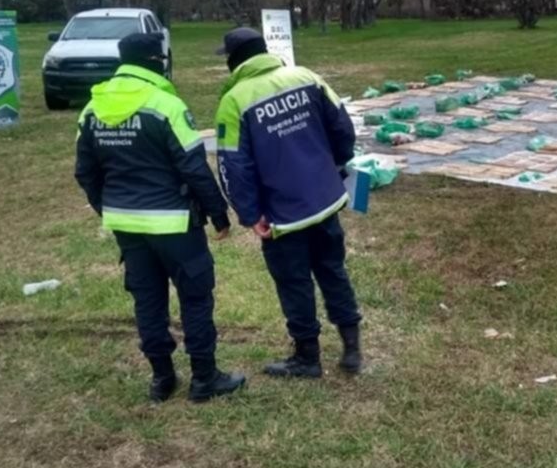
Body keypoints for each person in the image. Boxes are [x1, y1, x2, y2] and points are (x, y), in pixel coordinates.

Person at [75, 32, 246, 403]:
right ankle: (204, 378)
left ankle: (162, 379)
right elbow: (194, 166)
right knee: (195, 297)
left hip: (126, 224)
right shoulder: (166, 105)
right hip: (174, 223)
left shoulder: (91, 110)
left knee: (147, 301)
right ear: (156, 62)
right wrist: (218, 213)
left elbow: (85, 173)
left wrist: (108, 207)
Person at [214, 28, 362, 378]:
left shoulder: (234, 101)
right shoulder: (306, 77)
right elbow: (342, 127)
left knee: (294, 283)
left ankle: (308, 358)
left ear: (234, 60)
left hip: (282, 215)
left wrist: (250, 214)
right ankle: (352, 347)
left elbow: (233, 167)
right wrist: (336, 166)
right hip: (325, 200)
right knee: (333, 270)